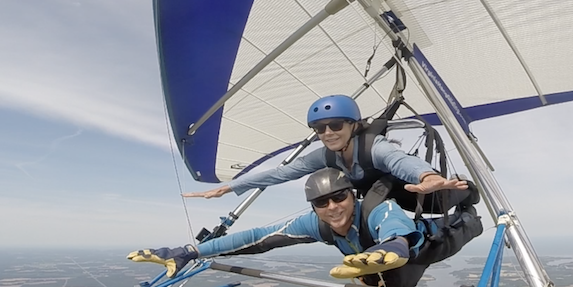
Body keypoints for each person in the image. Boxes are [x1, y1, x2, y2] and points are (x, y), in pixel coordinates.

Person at [129, 168, 483, 287]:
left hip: (418, 249)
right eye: (322, 203)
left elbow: (394, 229)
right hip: (384, 269)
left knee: (461, 226)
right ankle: (382, 266)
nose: (333, 207)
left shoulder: (377, 208)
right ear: (313, 207)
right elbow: (258, 238)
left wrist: (395, 249)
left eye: (339, 197)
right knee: (387, 280)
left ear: (352, 194)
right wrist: (191, 251)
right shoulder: (318, 223)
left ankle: (468, 204)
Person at [183, 95, 475, 214]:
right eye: (320, 129)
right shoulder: (325, 156)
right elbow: (281, 173)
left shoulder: (374, 146)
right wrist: (231, 186)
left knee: (460, 199)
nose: (328, 133)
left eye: (335, 125)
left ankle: (470, 192)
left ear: (353, 125)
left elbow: (400, 161)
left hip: (427, 194)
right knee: (371, 202)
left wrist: (427, 176)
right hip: (397, 203)